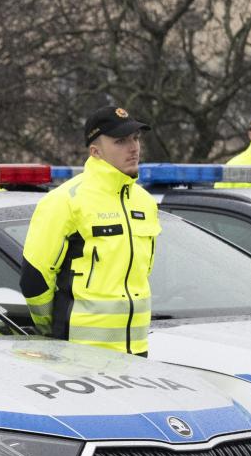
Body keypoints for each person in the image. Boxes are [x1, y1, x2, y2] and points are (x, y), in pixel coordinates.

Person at [19, 105, 159, 355]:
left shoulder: (145, 202)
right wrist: (50, 331)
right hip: (82, 354)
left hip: (137, 352)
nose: (133, 147)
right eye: (121, 141)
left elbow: (142, 273)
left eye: (136, 138)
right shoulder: (66, 200)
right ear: (95, 151)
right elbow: (35, 278)